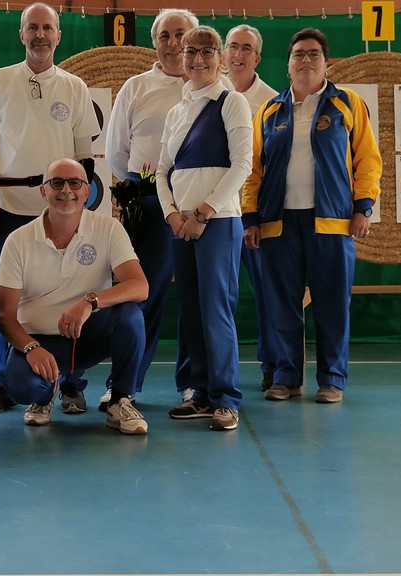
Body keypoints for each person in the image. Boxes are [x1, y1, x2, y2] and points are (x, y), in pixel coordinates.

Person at [0, 1, 100, 415]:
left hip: (62, 209)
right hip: (9, 207)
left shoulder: (75, 87)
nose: (40, 35)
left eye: (47, 28)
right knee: (3, 300)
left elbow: (85, 156)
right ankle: (2, 383)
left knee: (71, 293)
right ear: (22, 34)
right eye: (33, 28)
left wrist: (80, 205)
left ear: (58, 35)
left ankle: (72, 383)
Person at [242, 28, 382, 404]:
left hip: (333, 222)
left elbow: (368, 159)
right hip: (278, 223)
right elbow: (253, 170)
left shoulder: (348, 103)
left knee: (332, 304)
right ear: (288, 65)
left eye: (314, 54)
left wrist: (363, 207)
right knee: (282, 304)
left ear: (326, 62)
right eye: (299, 54)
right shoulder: (269, 111)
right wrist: (250, 217)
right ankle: (286, 377)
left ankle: (332, 379)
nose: (306, 60)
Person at [0, 158, 149, 435]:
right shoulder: (18, 241)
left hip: (89, 336)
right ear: (43, 191)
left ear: (87, 191)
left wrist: (90, 301)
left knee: (130, 316)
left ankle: (119, 400)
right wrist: (30, 348)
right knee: (21, 388)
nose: (66, 190)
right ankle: (44, 396)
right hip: (39, 340)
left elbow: (140, 286)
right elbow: (4, 315)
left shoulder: (109, 229)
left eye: (75, 183)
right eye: (56, 183)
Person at [156, 26, 253, 431]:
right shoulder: (177, 111)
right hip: (182, 224)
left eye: (206, 52)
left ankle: (225, 399)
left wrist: (203, 214)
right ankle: (198, 392)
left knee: (215, 309)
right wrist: (172, 215)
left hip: (218, 222)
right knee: (191, 309)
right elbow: (162, 171)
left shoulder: (232, 102)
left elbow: (243, 164)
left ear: (221, 58)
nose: (197, 60)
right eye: (190, 52)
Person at [103, 8, 199, 410]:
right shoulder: (136, 87)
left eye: (182, 34)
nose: (174, 43)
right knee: (144, 293)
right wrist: (150, 183)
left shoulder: (215, 88)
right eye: (165, 35)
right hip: (149, 204)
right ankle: (124, 385)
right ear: (154, 42)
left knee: (197, 295)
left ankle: (195, 383)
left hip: (200, 206)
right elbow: (116, 151)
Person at [224, 24, 279, 393]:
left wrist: (255, 214)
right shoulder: (208, 92)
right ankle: (213, 371)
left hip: (257, 215)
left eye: (246, 48)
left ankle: (274, 366)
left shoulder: (273, 102)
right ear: (223, 54)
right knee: (218, 296)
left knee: (269, 294)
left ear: (257, 58)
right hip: (216, 213)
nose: (238, 54)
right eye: (233, 46)